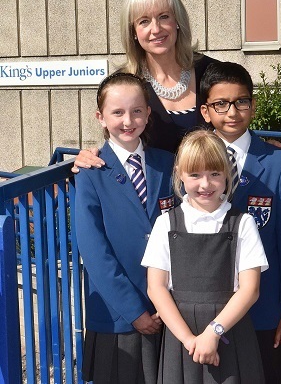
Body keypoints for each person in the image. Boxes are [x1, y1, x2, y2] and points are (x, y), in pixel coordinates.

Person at [71, 0, 281, 172]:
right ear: (134, 33)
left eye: (164, 16)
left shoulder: (211, 71)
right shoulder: (124, 84)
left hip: (214, 201)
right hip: (155, 208)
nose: (156, 29)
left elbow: (234, 122)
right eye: (144, 21)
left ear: (178, 22)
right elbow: (115, 142)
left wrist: (266, 150)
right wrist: (88, 155)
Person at [199, 60, 281, 384]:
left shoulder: (276, 164)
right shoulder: (192, 159)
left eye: (241, 101)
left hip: (265, 312)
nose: (232, 112)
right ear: (206, 111)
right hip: (209, 312)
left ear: (253, 105)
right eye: (221, 103)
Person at [142, 129, 268, 383]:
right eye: (195, 175)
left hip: (229, 330)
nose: (205, 184)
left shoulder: (242, 223)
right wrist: (190, 340)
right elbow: (156, 288)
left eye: (214, 174)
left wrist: (213, 333)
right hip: (182, 336)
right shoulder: (165, 223)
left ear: (226, 174)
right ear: (180, 174)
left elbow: (250, 289)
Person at [75, 72, 174, 384]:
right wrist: (134, 311)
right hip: (118, 314)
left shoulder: (168, 163)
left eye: (136, 111)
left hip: (167, 308)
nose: (128, 120)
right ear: (101, 117)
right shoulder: (90, 171)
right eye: (117, 112)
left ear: (148, 113)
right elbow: (94, 251)